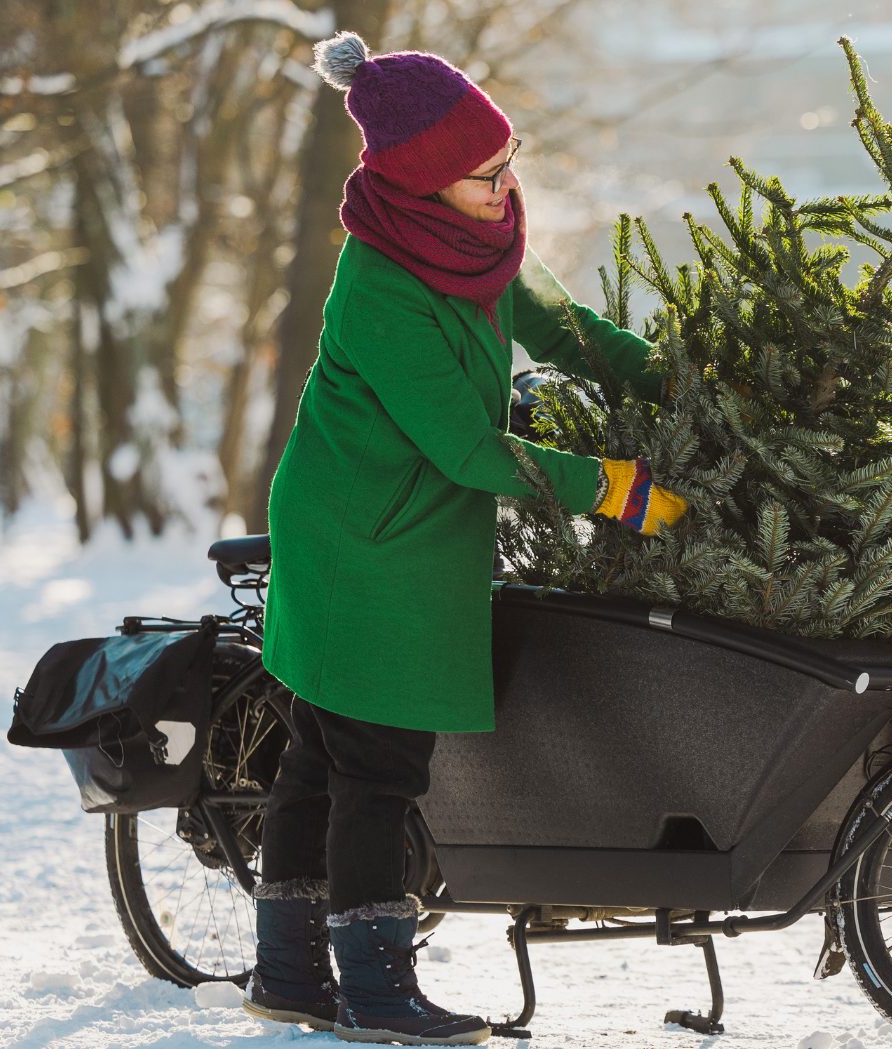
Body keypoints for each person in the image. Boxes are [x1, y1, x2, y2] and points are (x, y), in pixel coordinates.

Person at [242, 30, 689, 1047]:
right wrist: (610, 487)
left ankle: (287, 972)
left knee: (318, 755)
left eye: (507, 160)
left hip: (388, 529)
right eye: (485, 173)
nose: (504, 185)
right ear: (423, 180)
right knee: (375, 768)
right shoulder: (380, 288)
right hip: (363, 541)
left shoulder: (476, 242)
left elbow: (565, 329)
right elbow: (463, 446)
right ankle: (375, 984)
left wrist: (670, 379)